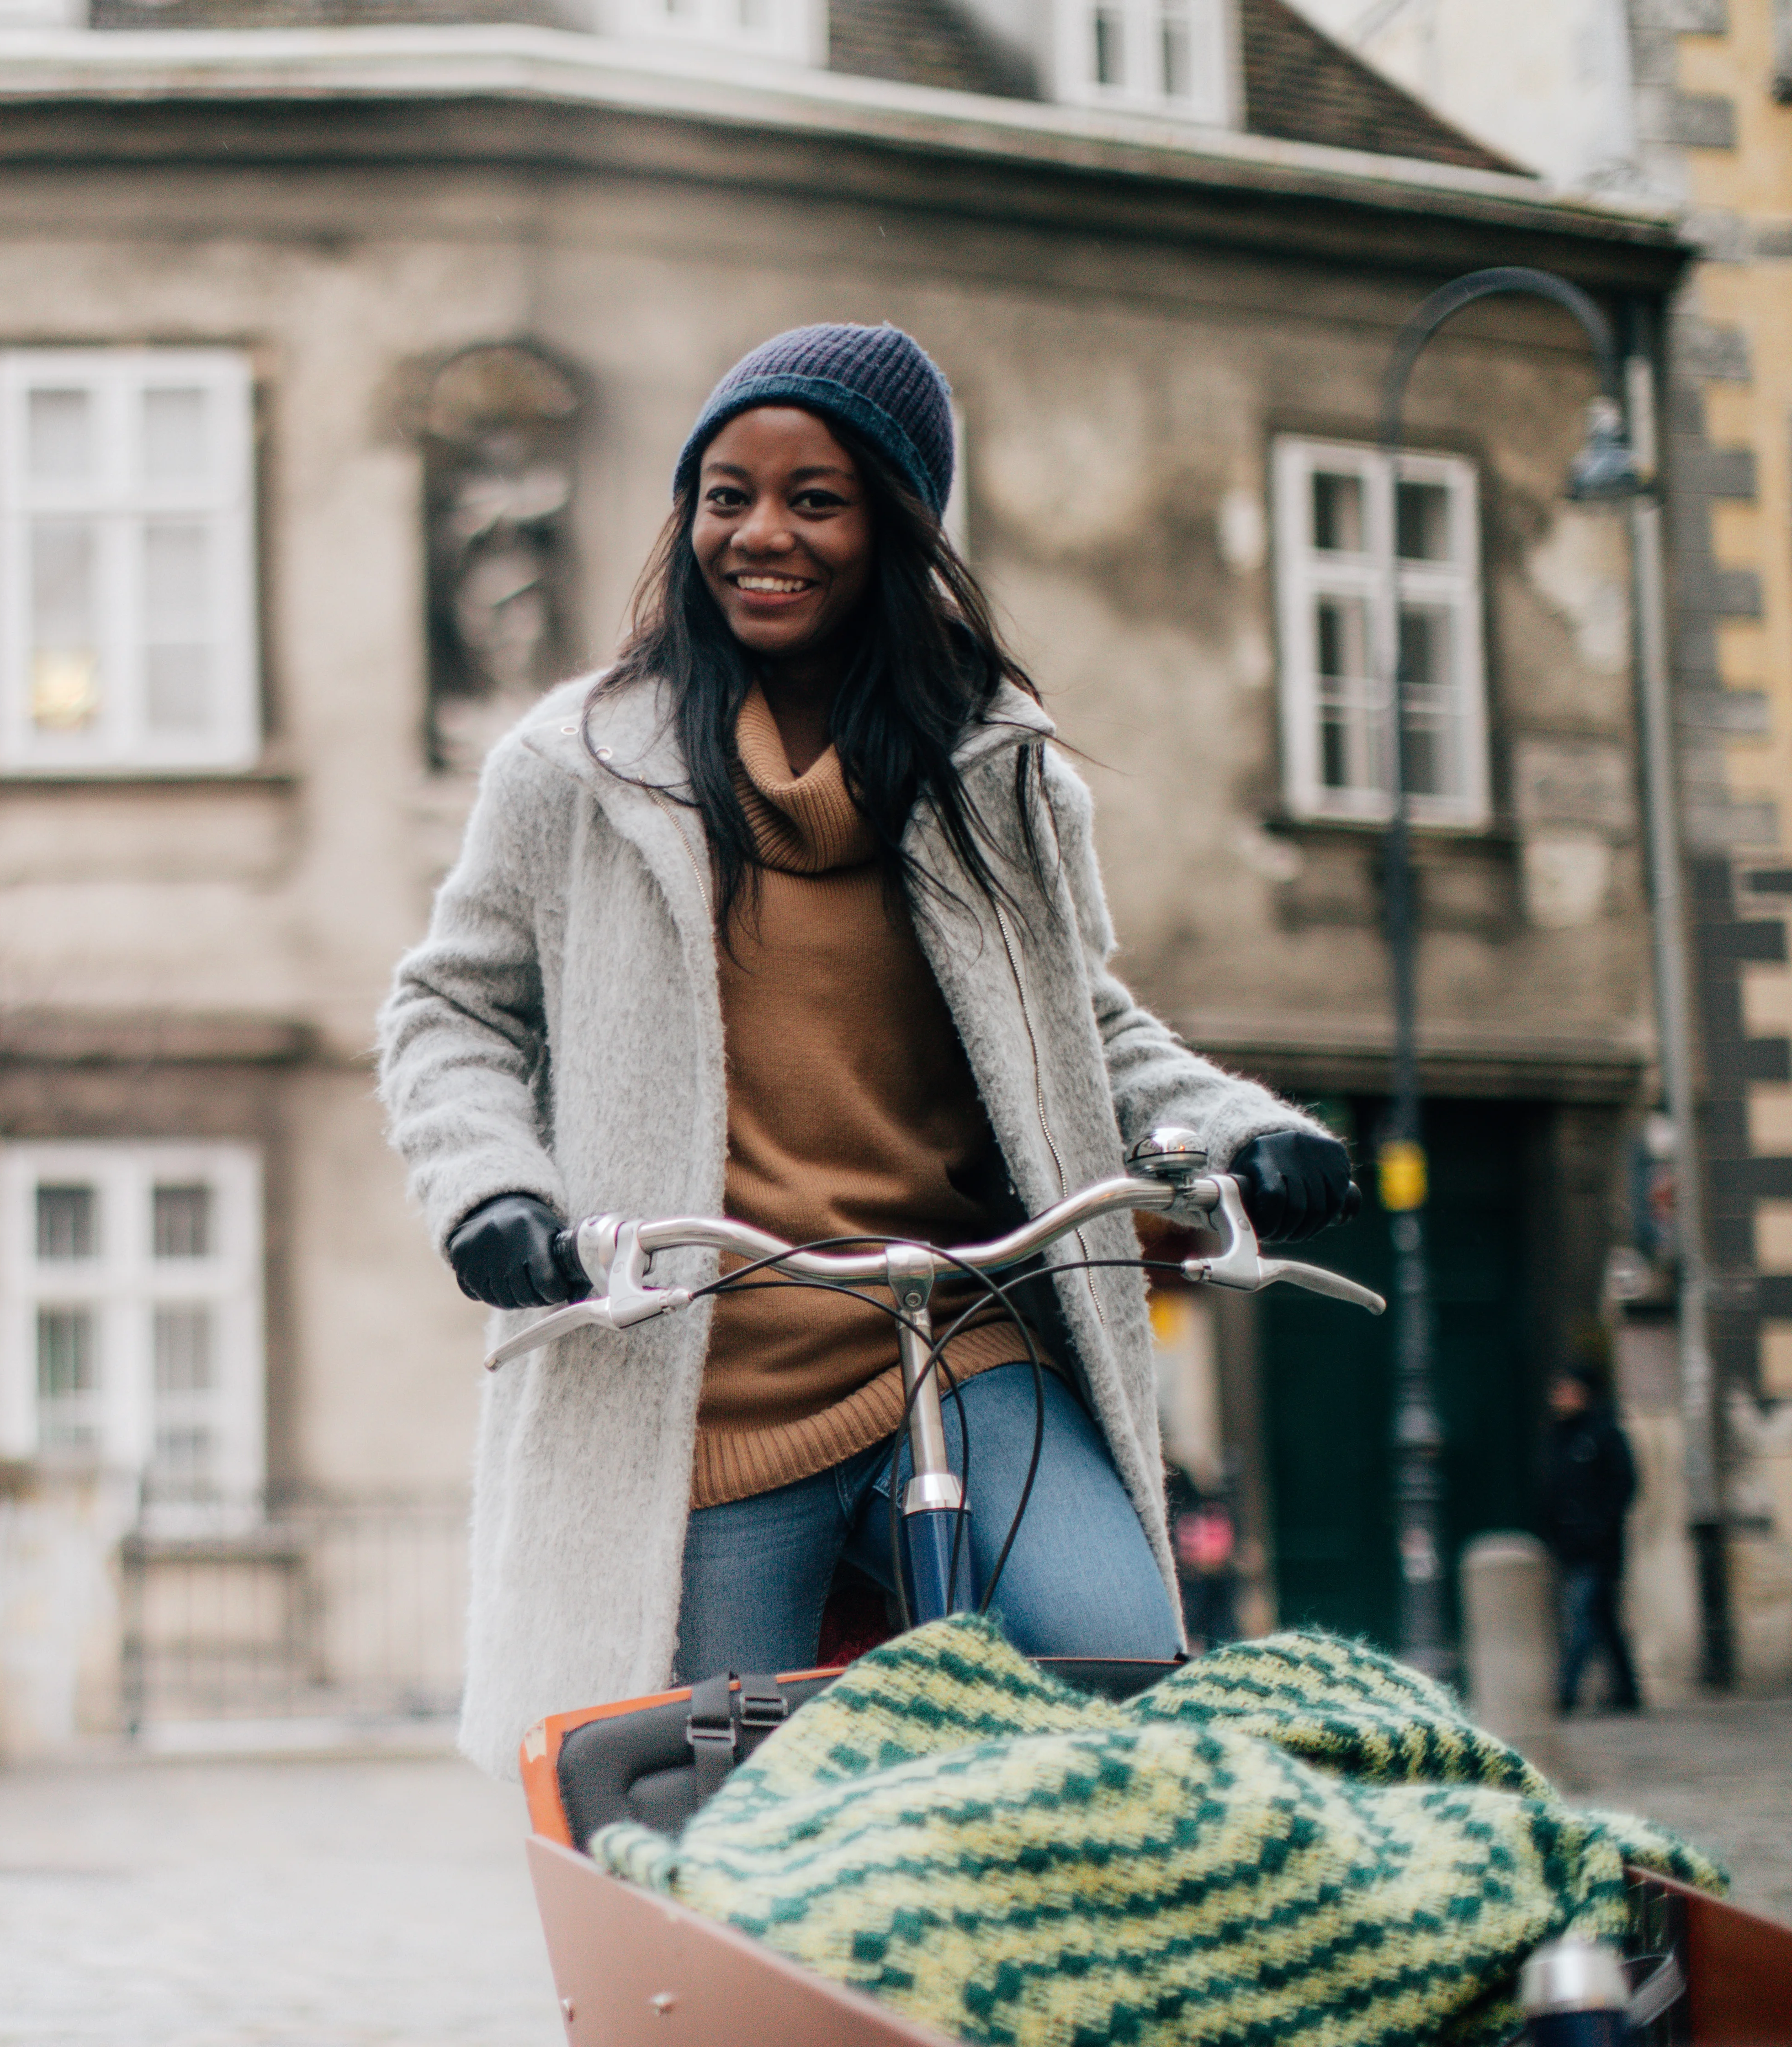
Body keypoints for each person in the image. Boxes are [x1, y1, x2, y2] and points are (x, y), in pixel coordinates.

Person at [375, 323, 1359, 1774]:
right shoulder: (573, 767)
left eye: (813, 497)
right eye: (724, 493)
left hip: (962, 1342)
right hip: (701, 1387)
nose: (758, 532)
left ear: (895, 528)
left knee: (1128, 1679)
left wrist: (1230, 1132)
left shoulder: (997, 774)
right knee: (732, 1801)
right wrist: (488, 1191)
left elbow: (1085, 1027)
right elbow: (448, 1011)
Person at [1540, 1363, 1642, 1714]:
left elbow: (1624, 1484)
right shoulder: (1558, 1436)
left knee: (1583, 1617)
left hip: (1597, 1548)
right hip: (1570, 1545)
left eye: (1565, 1391)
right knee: (1604, 1621)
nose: (1558, 1398)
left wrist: (1598, 1526)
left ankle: (1566, 1693)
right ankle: (1628, 1692)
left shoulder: (1603, 1434)